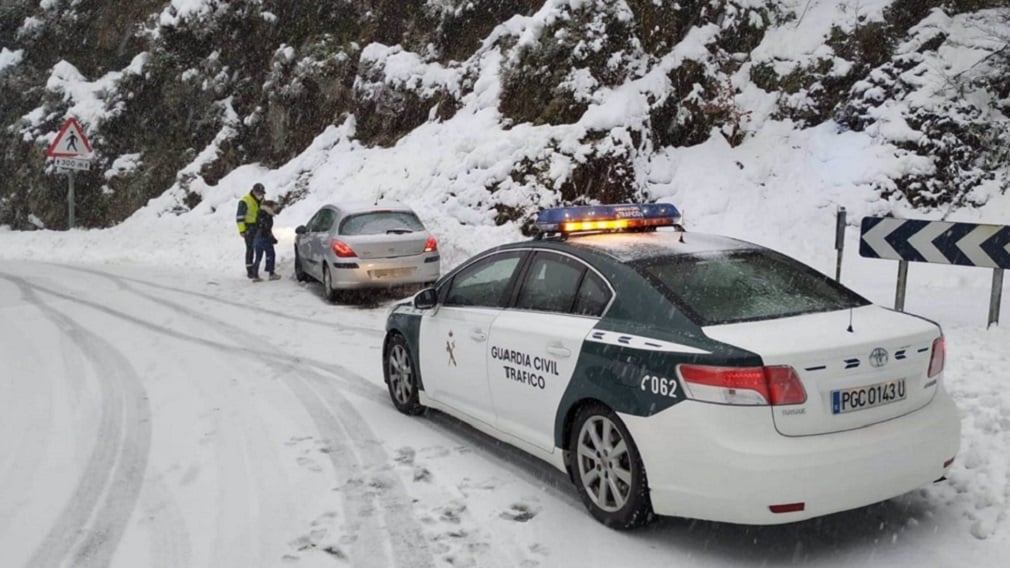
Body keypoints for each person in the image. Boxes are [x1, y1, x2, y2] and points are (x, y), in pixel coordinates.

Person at [236, 183, 265, 279]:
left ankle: (255, 268)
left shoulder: (262, 200)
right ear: (253, 191)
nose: (260, 195)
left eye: (261, 193)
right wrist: (242, 230)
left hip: (259, 227)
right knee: (250, 248)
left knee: (259, 248)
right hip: (248, 227)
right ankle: (250, 270)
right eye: (258, 193)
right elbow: (239, 217)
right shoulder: (245, 201)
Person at [250, 200, 281, 282]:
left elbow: (261, 227)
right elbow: (266, 228)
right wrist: (271, 238)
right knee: (270, 254)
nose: (276, 209)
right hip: (264, 238)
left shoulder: (260, 213)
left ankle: (255, 275)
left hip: (257, 238)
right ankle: (271, 273)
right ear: (270, 207)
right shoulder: (266, 215)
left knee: (258, 257)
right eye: (274, 207)